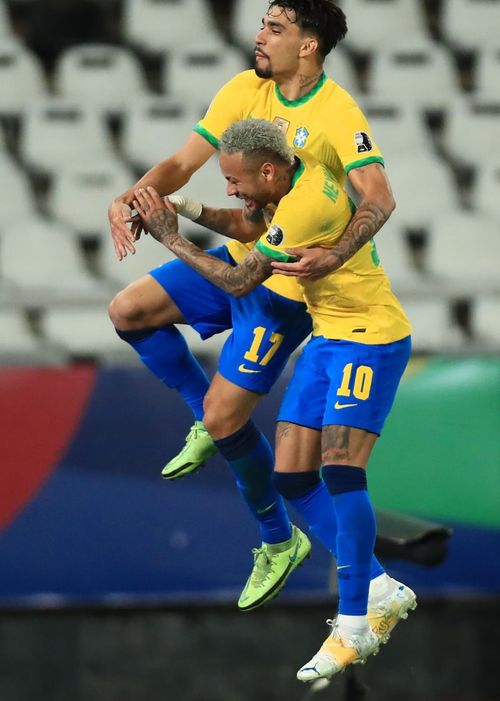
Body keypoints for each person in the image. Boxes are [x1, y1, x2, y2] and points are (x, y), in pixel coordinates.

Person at [107, 0, 396, 610]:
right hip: (239, 252)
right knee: (127, 311)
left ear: (308, 45)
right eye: (261, 25)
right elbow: (182, 165)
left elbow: (379, 197)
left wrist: (335, 252)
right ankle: (203, 421)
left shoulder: (337, 115)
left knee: (227, 417)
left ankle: (278, 540)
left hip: (283, 290)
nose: (259, 36)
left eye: (273, 27)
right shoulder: (245, 89)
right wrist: (135, 195)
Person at [131, 118, 416, 678]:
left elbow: (240, 282)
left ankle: (355, 621)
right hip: (328, 335)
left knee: (340, 469)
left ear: (267, 169)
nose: (231, 188)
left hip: (369, 336)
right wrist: (186, 205)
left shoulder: (309, 200)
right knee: (293, 477)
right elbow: (248, 222)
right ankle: (382, 586)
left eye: (234, 179)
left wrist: (170, 235)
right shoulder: (292, 181)